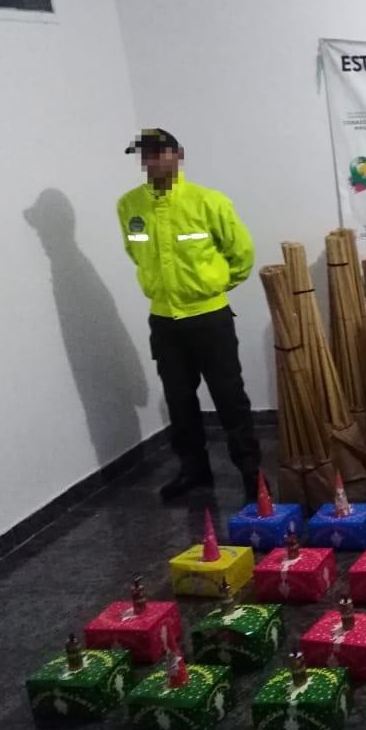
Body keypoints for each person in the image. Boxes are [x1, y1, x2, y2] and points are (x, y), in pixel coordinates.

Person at [118, 129, 262, 504]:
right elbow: (136, 254)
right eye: (145, 154)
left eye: (159, 152)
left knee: (229, 398)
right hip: (164, 322)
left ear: (177, 154)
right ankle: (194, 469)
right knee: (179, 401)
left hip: (209, 318)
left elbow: (242, 255)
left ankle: (251, 475)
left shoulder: (208, 202)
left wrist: (210, 286)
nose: (152, 161)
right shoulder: (129, 206)